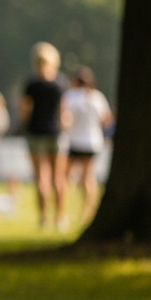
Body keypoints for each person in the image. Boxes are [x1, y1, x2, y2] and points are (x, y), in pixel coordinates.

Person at [20, 42, 70, 230]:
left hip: (35, 132)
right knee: (59, 177)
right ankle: (60, 217)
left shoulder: (31, 84)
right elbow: (63, 112)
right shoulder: (60, 83)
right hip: (56, 132)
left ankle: (43, 218)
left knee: (41, 177)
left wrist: (25, 125)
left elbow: (24, 110)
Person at [63, 67, 112, 222]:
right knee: (88, 177)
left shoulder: (71, 96)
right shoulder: (97, 97)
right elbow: (107, 120)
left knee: (65, 176)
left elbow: (65, 119)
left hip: (75, 141)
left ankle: (62, 210)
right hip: (93, 142)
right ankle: (89, 210)